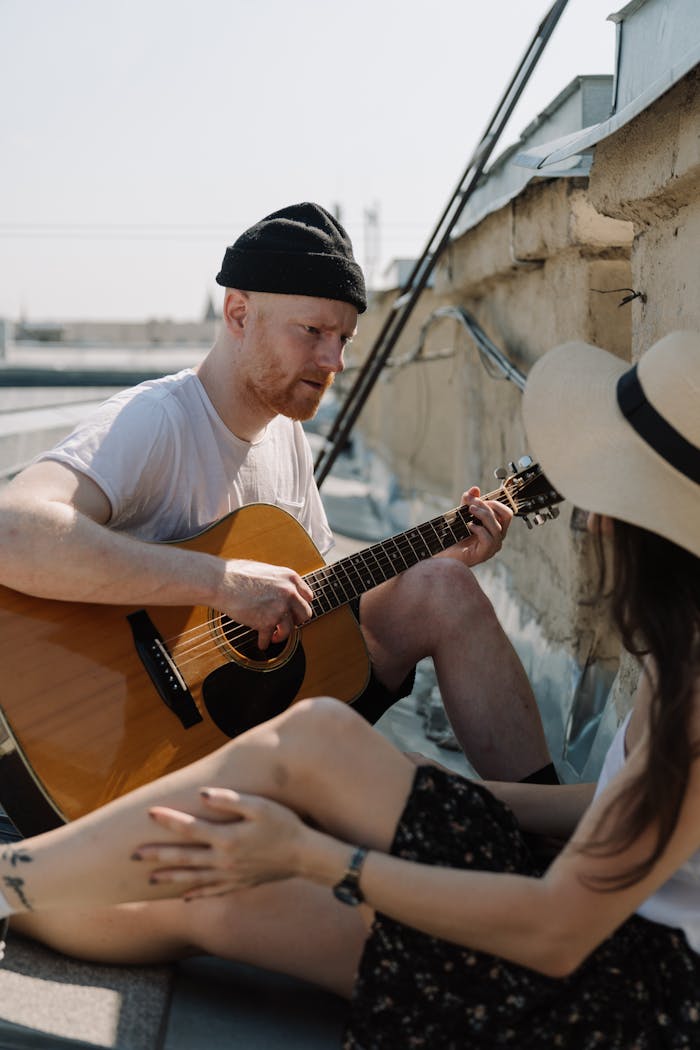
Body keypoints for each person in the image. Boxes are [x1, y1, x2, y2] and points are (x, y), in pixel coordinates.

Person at [2, 331, 698, 1048]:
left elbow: (555, 933)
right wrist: (426, 790)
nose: (596, 518)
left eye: (612, 494)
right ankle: (13, 875)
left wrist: (319, 855)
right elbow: (622, 804)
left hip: (609, 987)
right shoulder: (682, 652)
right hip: (589, 906)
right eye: (315, 331)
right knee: (319, 739)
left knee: (225, 896)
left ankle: (8, 883)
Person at [0, 202, 553, 960]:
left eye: (345, 339)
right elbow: (14, 532)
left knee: (443, 591)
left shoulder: (286, 438)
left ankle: (555, 843)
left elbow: (321, 610)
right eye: (313, 333)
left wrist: (436, 557)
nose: (335, 361)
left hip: (253, 721)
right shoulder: (153, 422)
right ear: (237, 313)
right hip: (123, 751)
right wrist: (219, 582)